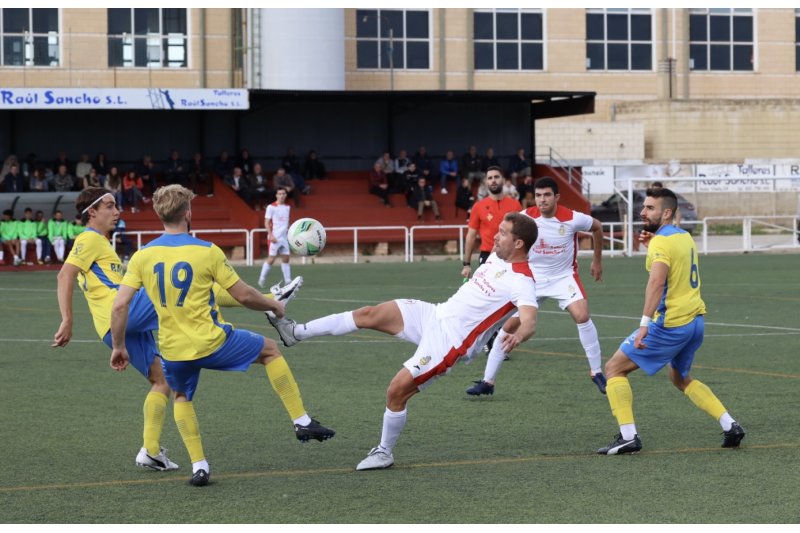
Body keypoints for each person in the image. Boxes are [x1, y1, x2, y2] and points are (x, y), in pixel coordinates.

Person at [268, 212, 540, 470]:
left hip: (450, 342)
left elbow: (529, 320)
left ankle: (384, 452)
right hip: (434, 313)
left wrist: (518, 334)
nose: (495, 236)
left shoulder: (523, 280)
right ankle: (295, 333)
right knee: (368, 314)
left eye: (503, 233)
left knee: (396, 390)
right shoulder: (495, 257)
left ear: (518, 243)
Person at [109, 185, 334, 486]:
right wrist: (273, 305)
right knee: (269, 351)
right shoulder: (207, 251)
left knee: (180, 396)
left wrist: (119, 346)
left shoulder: (142, 256)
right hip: (213, 342)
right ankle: (301, 421)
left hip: (174, 351)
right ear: (188, 213)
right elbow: (243, 295)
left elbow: (120, 304)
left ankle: (199, 467)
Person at [596, 187, 745, 454]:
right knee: (680, 377)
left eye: (649, 208)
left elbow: (657, 281)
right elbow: (671, 263)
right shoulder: (684, 237)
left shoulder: (660, 243)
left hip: (670, 324)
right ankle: (730, 425)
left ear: (666, 213)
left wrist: (644, 324)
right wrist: (651, 243)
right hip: (695, 321)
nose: (642, 212)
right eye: (643, 207)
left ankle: (628, 436)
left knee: (614, 369)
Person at [466, 176, 608, 396]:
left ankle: (597, 372)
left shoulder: (573, 218)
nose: (542, 200)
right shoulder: (525, 218)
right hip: (532, 279)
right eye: (538, 195)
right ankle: (488, 381)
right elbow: (505, 239)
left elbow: (598, 228)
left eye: (547, 195)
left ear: (556, 197)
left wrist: (597, 260)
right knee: (510, 326)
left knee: (582, 315)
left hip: (563, 277)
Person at [461, 166, 522, 280]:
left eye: (496, 177)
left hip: (511, 257)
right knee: (487, 294)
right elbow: (471, 236)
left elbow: (522, 234)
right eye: (490, 178)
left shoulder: (515, 205)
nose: (493, 180)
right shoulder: (478, 206)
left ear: (503, 180)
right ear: (486, 182)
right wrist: (466, 264)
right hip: (487, 256)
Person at [258, 188, 293, 289]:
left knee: (286, 258)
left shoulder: (287, 207)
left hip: (284, 238)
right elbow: (266, 222)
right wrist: (271, 235)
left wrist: (291, 232)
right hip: (275, 237)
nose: (282, 195)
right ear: (276, 195)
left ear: (286, 195)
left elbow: (286, 223)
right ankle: (262, 278)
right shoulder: (271, 207)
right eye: (280, 193)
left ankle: (288, 281)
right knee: (271, 259)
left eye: (283, 193)